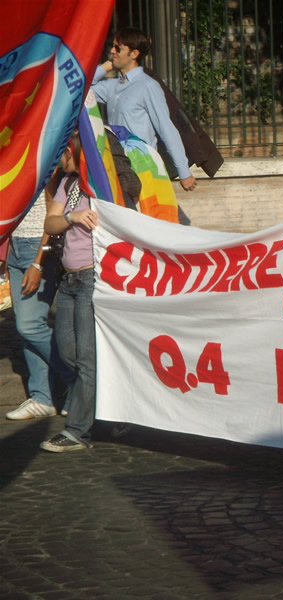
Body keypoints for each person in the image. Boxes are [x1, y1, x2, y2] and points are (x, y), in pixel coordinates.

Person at [40, 130, 100, 452]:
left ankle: (77, 431)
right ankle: (100, 410)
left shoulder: (99, 186)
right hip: (68, 280)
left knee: (87, 358)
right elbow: (50, 224)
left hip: (91, 279)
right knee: (67, 353)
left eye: (64, 152)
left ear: (76, 152)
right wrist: (72, 216)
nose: (61, 158)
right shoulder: (68, 184)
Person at [91, 27, 196, 192]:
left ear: (134, 54)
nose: (112, 51)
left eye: (118, 48)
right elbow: (81, 88)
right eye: (113, 46)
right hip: (117, 165)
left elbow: (165, 128)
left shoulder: (148, 86)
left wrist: (184, 172)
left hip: (142, 166)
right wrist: (106, 67)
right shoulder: (112, 86)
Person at [2, 186, 74, 420]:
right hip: (14, 246)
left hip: (38, 248)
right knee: (28, 328)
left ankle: (77, 382)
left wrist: (38, 262)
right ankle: (42, 397)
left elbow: (52, 212)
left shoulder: (45, 166)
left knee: (30, 325)